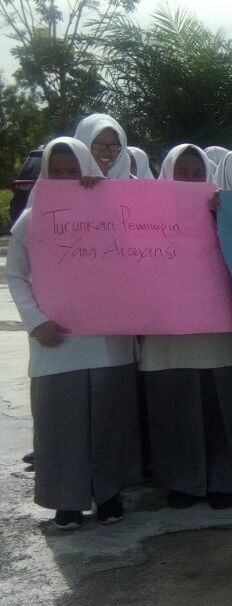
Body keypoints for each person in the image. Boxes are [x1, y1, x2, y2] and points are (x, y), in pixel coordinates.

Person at [7, 137, 142, 529]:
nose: (66, 178)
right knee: (60, 423)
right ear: (46, 174)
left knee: (110, 421)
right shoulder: (30, 222)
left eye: (74, 170)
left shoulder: (116, 212)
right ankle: (66, 501)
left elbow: (147, 256)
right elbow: (16, 275)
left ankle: (109, 494)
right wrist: (35, 321)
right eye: (58, 171)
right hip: (57, 343)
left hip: (109, 344)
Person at [140, 144, 232, 508]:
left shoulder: (225, 210)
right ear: (167, 173)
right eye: (181, 171)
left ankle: (222, 480)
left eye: (196, 172)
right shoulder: (144, 215)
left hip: (215, 333)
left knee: (219, 410)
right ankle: (184, 483)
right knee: (175, 410)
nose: (188, 179)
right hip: (167, 335)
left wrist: (223, 216)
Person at [73, 113, 133, 179]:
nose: (107, 152)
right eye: (99, 144)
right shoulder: (62, 178)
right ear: (83, 144)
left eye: (114, 145)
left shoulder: (136, 186)